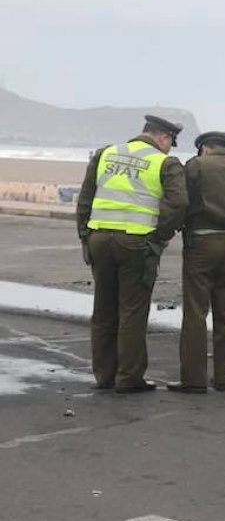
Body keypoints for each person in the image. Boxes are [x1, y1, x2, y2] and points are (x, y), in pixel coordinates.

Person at [76, 115, 188, 393]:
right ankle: (129, 377)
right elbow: (179, 203)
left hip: (99, 238)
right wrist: (159, 237)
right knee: (132, 311)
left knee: (103, 310)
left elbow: (85, 199)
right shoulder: (164, 163)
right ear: (163, 138)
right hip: (137, 243)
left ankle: (104, 375)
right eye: (170, 143)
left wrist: (85, 237)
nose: (169, 149)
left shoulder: (106, 154)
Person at [167, 131, 225, 394]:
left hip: (201, 243)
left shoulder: (196, 166)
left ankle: (193, 379)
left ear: (204, 148)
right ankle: (223, 378)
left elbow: (182, 201)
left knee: (196, 312)